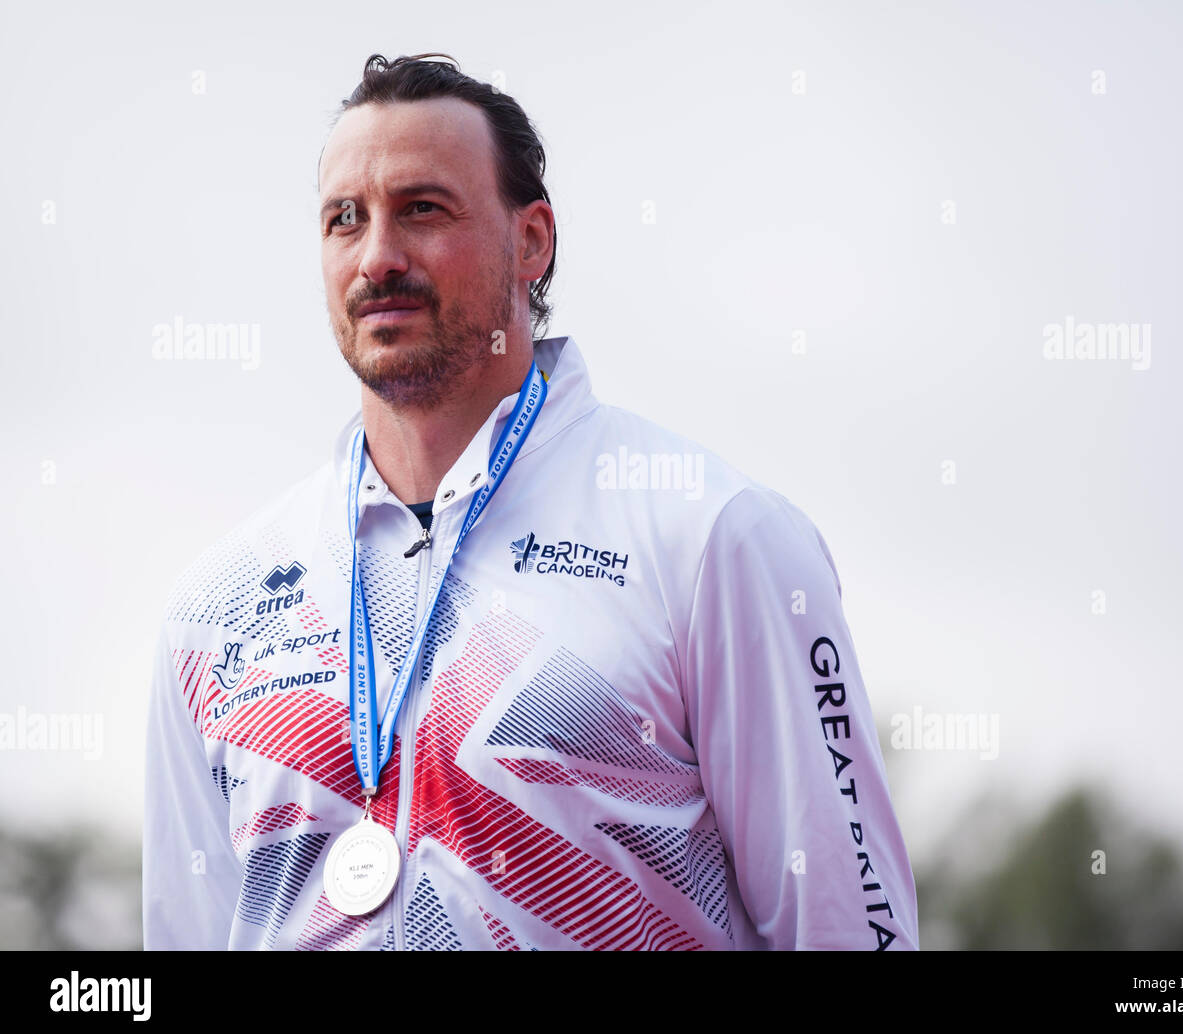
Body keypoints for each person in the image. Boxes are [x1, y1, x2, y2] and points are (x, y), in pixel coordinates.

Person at [142, 51, 919, 951]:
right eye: (343, 220)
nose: (378, 257)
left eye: (422, 210)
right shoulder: (212, 608)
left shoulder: (711, 537)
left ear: (532, 242)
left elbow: (852, 934)